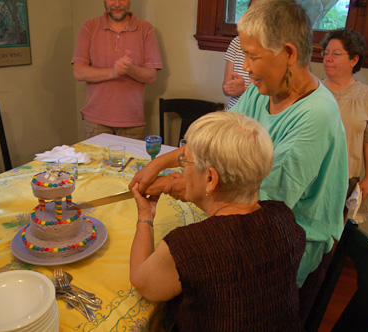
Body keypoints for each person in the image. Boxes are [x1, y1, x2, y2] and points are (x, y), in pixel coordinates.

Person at [130, 0, 348, 323]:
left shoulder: (317, 115)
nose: (244, 67)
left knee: (190, 293)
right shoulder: (262, 91)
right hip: (257, 224)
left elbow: (259, 199)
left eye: (252, 56)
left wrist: (182, 184)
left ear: (288, 53)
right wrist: (161, 163)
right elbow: (216, 143)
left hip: (287, 245)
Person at [130, 111, 306, 331]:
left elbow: (142, 282)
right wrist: (201, 196)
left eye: (185, 162)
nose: (182, 166)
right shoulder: (282, 216)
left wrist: (145, 216)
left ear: (211, 179)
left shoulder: (188, 245)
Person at [72, 0, 162, 140]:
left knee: (132, 163)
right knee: (96, 163)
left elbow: (151, 76)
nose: (117, 4)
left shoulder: (146, 28)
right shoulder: (89, 26)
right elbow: (78, 72)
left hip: (132, 122)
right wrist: (114, 72)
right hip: (96, 121)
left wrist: (130, 69)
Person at [320, 28, 368, 201]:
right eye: (326, 53)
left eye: (336, 54)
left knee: (337, 226)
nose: (328, 59)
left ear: (354, 60)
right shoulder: (313, 90)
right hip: (312, 174)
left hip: (347, 178)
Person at [222, 0, 257, 109]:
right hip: (234, 112)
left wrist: (244, 90)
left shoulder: (277, 49)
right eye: (251, 11)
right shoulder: (237, 43)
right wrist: (234, 89)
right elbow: (225, 88)